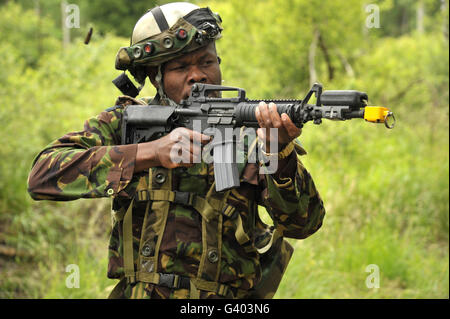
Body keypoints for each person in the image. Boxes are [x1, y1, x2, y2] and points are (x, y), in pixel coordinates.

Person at [27, 2, 325, 299]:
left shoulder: (251, 136)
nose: (198, 75)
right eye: (181, 67)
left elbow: (304, 224)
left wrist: (279, 152)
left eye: (207, 62)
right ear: (155, 76)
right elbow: (42, 176)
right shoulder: (123, 123)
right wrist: (150, 153)